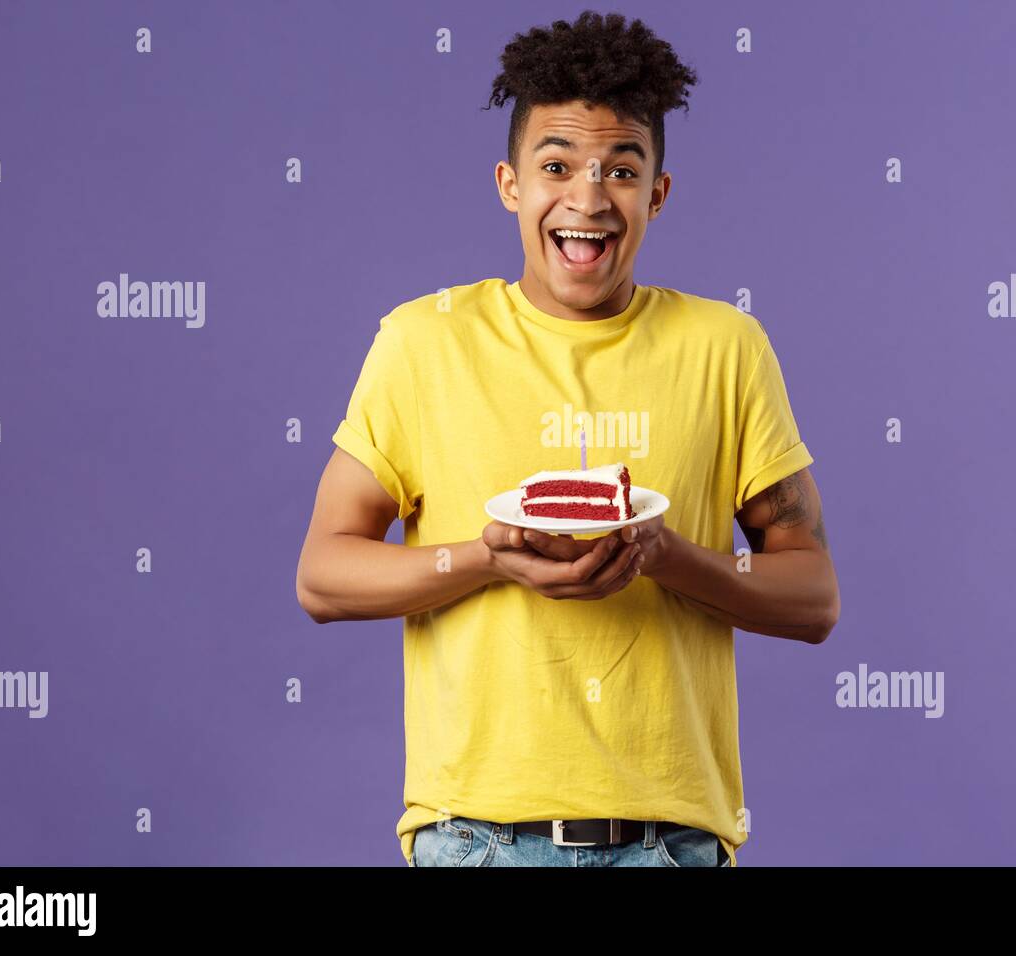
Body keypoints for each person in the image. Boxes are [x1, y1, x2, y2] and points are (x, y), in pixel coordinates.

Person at [295, 9, 840, 868]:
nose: (587, 199)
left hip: (673, 846)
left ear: (656, 193)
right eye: (557, 166)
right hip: (476, 839)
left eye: (620, 170)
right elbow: (323, 575)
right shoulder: (423, 341)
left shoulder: (727, 347)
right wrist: (483, 558)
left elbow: (813, 599)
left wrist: (667, 559)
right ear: (511, 183)